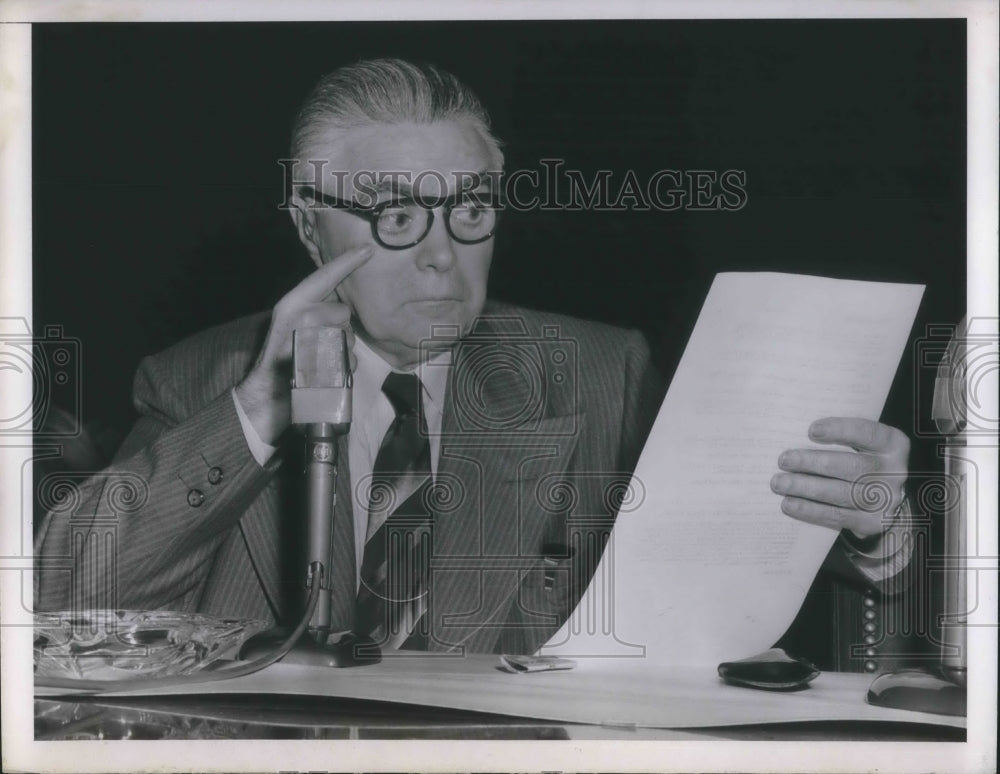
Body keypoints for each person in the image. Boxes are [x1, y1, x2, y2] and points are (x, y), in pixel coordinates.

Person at [35, 58, 912, 657]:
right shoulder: (195, 379)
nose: (441, 254)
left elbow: (758, 605)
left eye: (470, 209)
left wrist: (871, 529)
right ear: (310, 229)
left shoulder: (601, 374)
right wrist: (260, 414)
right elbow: (69, 596)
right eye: (396, 216)